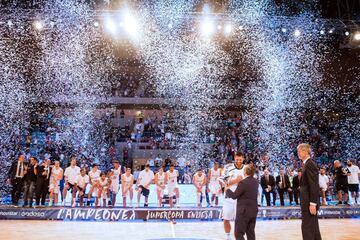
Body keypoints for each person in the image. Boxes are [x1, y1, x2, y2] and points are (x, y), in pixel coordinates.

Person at [225, 164, 259, 240]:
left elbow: (234, 196)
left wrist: (227, 190)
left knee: (238, 233)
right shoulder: (256, 182)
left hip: (244, 212)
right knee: (250, 233)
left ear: (246, 171)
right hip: (253, 211)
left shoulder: (243, 182)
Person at [297, 143, 322, 240]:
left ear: (306, 151)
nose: (298, 153)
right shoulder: (307, 164)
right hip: (308, 202)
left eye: (299, 151)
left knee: (307, 228)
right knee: (314, 228)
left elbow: (314, 185)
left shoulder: (309, 164)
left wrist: (312, 203)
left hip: (309, 203)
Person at [221, 152, 245, 240]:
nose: (238, 161)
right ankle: (228, 236)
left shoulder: (247, 169)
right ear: (234, 158)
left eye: (240, 159)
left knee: (239, 220)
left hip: (241, 198)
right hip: (229, 198)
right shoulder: (227, 167)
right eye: (237, 159)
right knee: (226, 218)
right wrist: (236, 180)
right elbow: (225, 183)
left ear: (243, 159)